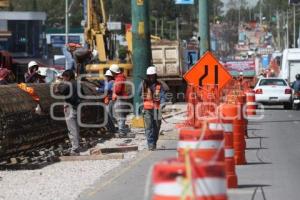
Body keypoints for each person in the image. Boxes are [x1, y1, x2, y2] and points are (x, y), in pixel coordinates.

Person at [55, 70, 81, 156]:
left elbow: (57, 91)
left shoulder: (68, 84)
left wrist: (58, 84)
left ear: (68, 77)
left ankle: (75, 149)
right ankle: (76, 147)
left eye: (64, 77)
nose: (63, 79)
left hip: (70, 107)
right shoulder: (78, 83)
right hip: (77, 107)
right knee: (76, 128)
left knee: (72, 129)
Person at [140, 66, 166, 151]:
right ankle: (150, 144)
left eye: (153, 75)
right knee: (149, 127)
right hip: (147, 109)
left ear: (155, 75)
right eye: (149, 76)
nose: (151, 77)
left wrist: (163, 103)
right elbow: (138, 93)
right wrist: (143, 84)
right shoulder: (144, 84)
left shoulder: (159, 85)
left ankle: (154, 142)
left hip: (157, 109)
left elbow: (162, 95)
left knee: (157, 127)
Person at [109, 64, 130, 137]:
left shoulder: (119, 78)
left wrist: (113, 89)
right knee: (120, 115)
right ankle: (122, 129)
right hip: (123, 99)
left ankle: (121, 131)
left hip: (121, 99)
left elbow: (118, 90)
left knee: (119, 115)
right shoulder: (122, 77)